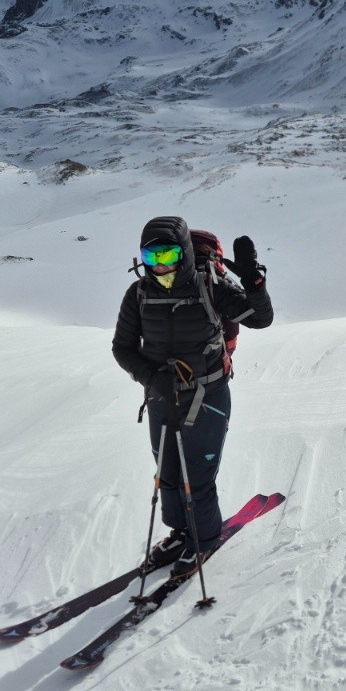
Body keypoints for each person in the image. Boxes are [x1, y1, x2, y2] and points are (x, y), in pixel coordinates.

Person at [111, 216, 273, 574]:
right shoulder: (138, 294)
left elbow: (260, 319)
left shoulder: (209, 287)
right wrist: (152, 377)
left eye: (168, 254)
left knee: (196, 475)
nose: (161, 265)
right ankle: (181, 532)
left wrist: (253, 281)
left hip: (209, 393)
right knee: (167, 472)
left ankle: (204, 538)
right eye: (151, 257)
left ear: (183, 253)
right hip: (161, 397)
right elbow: (122, 347)